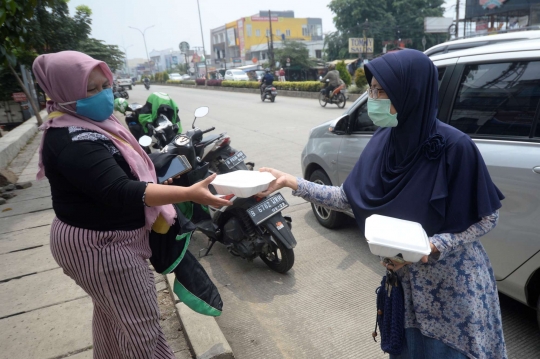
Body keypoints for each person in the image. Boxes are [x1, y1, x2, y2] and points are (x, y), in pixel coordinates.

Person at [257, 49, 507, 359]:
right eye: (370, 89)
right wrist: (293, 182)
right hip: (405, 290)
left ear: (409, 93)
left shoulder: (455, 147)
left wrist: (430, 246)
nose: (372, 98)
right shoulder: (383, 142)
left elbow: (487, 218)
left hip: (452, 292)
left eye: (380, 91)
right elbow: (349, 197)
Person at [32, 51, 231, 359]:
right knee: (141, 330)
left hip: (107, 239)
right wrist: (190, 193)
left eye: (104, 85)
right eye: (91, 89)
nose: (103, 95)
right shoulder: (74, 139)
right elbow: (119, 189)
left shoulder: (95, 124)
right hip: (103, 247)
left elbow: (123, 169)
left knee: (115, 321)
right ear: (64, 91)